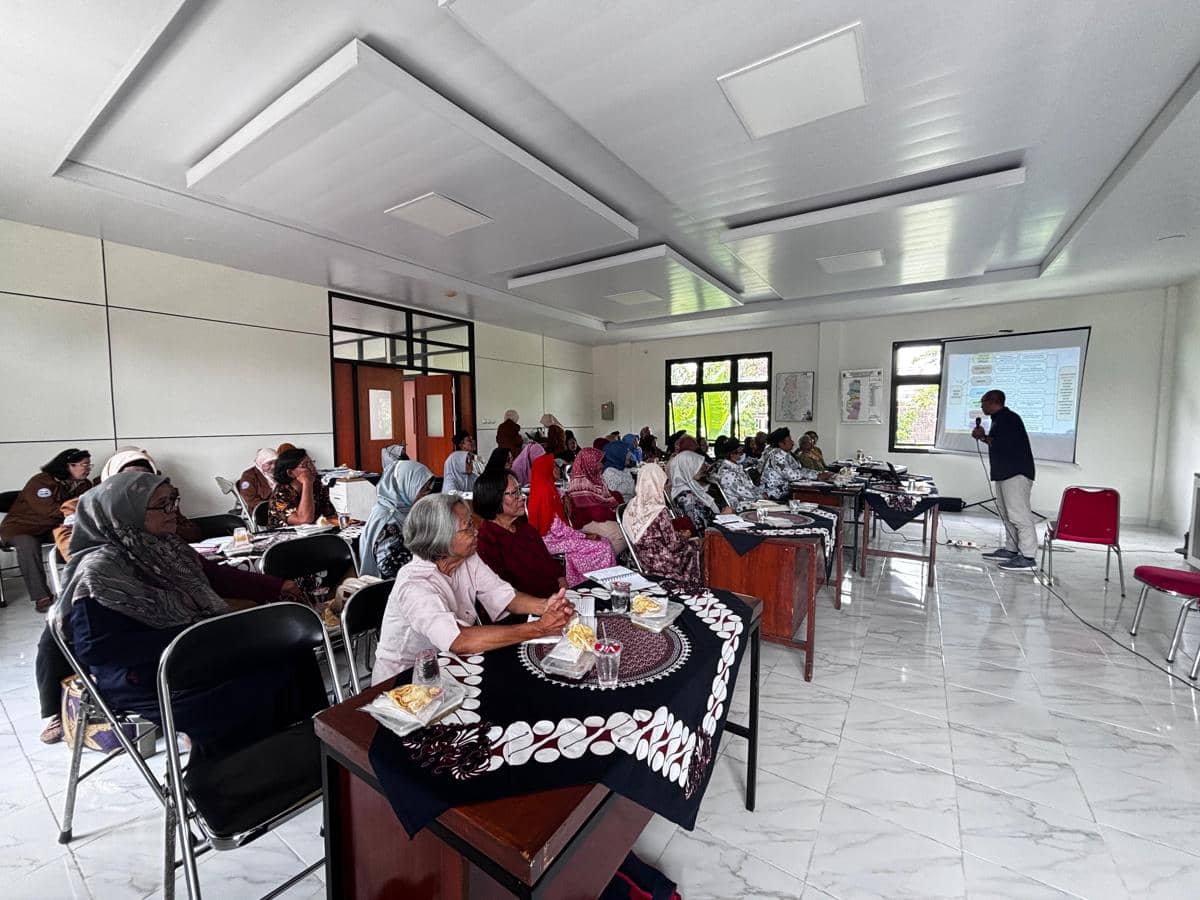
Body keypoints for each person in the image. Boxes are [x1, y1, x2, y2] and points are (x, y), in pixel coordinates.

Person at [53, 472, 316, 756]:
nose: (174, 512)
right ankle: (229, 779)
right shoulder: (99, 571)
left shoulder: (166, 545)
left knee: (293, 652)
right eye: (163, 505)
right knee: (255, 684)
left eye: (173, 502)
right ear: (126, 512)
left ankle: (308, 749)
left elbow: (216, 576)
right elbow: (96, 649)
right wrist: (194, 638)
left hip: (193, 652)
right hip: (144, 674)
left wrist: (279, 586)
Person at [372, 494, 575, 682]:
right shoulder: (415, 584)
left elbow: (504, 595)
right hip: (405, 681)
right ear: (442, 538)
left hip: (448, 664)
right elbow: (458, 639)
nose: (476, 531)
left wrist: (545, 606)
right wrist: (539, 628)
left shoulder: (465, 558)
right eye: (468, 526)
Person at [1, 448, 93, 612]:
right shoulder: (41, 482)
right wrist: (73, 511)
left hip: (51, 528)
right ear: (67, 466)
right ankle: (42, 597)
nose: (87, 468)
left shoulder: (84, 485)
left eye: (88, 465)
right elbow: (48, 511)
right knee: (27, 544)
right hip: (21, 528)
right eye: (83, 465)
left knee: (80, 536)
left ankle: (83, 586)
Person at [973, 390, 1039, 570]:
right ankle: (1012, 549)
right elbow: (998, 443)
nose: (981, 406)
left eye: (983, 402)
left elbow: (1003, 443)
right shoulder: (998, 419)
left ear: (993, 401)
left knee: (1019, 514)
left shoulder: (1009, 419)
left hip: (1015, 473)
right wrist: (984, 437)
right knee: (1006, 513)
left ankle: (1028, 556)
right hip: (1004, 473)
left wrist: (984, 437)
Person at [526, 453, 615, 585]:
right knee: (602, 547)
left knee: (605, 542)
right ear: (546, 470)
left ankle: (600, 581)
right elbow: (557, 529)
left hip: (558, 536)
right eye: (554, 467)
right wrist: (583, 536)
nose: (557, 470)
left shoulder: (548, 488)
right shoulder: (545, 493)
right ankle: (593, 583)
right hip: (550, 540)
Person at [474, 469, 565, 598]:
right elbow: (503, 595)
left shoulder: (525, 529)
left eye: (520, 491)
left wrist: (564, 591)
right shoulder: (486, 541)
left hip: (556, 599)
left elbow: (553, 568)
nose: (522, 497)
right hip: (529, 610)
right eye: (514, 493)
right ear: (494, 498)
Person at [622, 464, 702, 588]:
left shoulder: (632, 505)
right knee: (694, 546)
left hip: (640, 559)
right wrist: (685, 537)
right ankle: (688, 586)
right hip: (663, 562)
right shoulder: (659, 511)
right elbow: (673, 545)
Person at [358, 460, 435, 578]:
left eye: (428, 489)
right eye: (422, 489)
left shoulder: (393, 508)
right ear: (405, 486)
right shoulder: (389, 523)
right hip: (389, 589)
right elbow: (394, 572)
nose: (426, 495)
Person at [564, 448, 627, 554]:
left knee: (628, 528)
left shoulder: (594, 478)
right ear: (589, 463)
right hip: (586, 522)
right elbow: (596, 513)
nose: (602, 465)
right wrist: (616, 514)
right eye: (598, 462)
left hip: (597, 517)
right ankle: (605, 562)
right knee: (621, 534)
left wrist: (615, 503)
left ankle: (610, 559)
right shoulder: (581, 484)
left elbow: (609, 496)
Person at [267, 447, 336, 527]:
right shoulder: (280, 496)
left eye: (311, 463)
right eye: (305, 465)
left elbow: (330, 515)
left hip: (314, 535)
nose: (312, 468)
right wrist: (307, 483)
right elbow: (304, 520)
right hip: (287, 537)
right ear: (290, 473)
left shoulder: (317, 485)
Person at [759, 427, 830, 501]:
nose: (793, 442)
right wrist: (816, 476)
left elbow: (799, 469)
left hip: (784, 491)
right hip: (774, 494)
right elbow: (791, 476)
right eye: (789, 440)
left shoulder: (786, 454)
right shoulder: (777, 455)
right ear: (781, 443)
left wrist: (818, 474)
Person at [669, 450, 729, 533]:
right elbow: (699, 527)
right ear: (688, 468)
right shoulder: (685, 497)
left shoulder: (690, 487)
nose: (702, 467)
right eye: (697, 465)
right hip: (710, 536)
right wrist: (724, 516)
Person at [711, 436, 762, 510]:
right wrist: (761, 496)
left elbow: (748, 485)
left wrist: (760, 492)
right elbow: (743, 491)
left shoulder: (735, 467)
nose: (742, 455)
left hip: (748, 500)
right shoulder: (727, 472)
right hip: (741, 505)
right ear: (732, 454)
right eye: (740, 453)